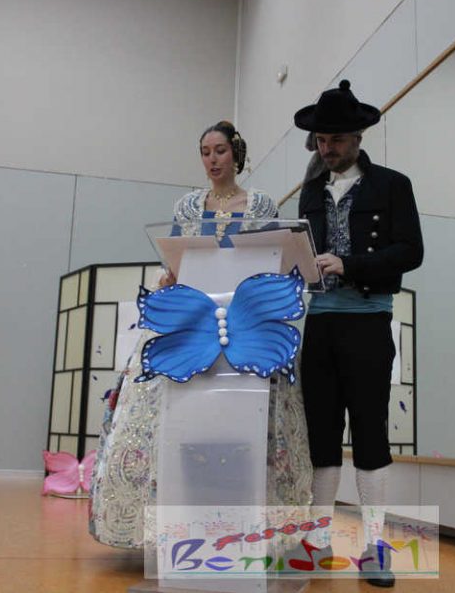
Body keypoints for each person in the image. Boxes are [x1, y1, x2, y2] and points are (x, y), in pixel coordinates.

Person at [88, 121, 313, 549]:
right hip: (192, 323)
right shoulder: (188, 206)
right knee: (175, 415)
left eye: (220, 151)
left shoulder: (261, 204)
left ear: (236, 154)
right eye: (205, 152)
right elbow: (177, 262)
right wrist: (167, 279)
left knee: (250, 423)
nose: (212, 160)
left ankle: (250, 523)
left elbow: (271, 260)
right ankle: (170, 521)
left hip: (246, 326)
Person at [294, 81, 424, 587]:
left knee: (370, 432)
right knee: (322, 434)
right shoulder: (310, 192)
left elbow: (410, 252)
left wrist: (349, 264)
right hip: (320, 324)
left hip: (368, 321)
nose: (328, 148)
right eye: (322, 140)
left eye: (337, 140)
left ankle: (375, 548)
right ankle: (318, 541)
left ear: (358, 137)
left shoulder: (392, 185)